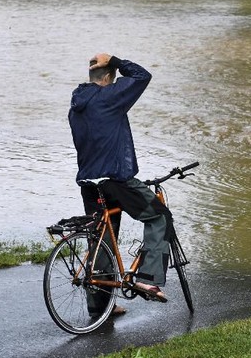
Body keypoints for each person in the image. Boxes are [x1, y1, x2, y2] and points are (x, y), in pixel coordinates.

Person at [68, 53, 172, 311]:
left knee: (102, 239)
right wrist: (114, 59)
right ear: (107, 79)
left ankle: (100, 307)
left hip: (89, 183)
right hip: (116, 180)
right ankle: (148, 279)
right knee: (159, 217)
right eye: (112, 79)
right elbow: (141, 76)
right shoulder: (109, 96)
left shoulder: (76, 106)